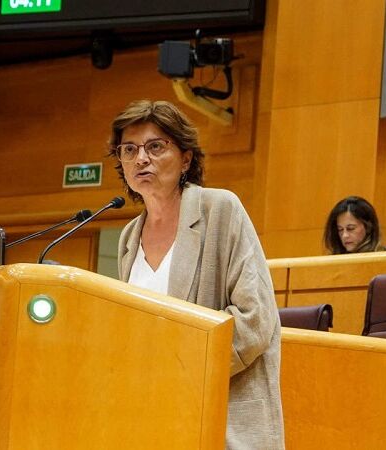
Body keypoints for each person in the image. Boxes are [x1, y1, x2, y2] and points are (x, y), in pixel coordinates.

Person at [108, 100, 285, 449]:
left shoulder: (220, 210)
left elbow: (254, 320)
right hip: (152, 419)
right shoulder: (129, 237)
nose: (140, 158)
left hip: (223, 419)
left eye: (155, 146)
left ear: (186, 158)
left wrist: (177, 371)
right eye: (129, 149)